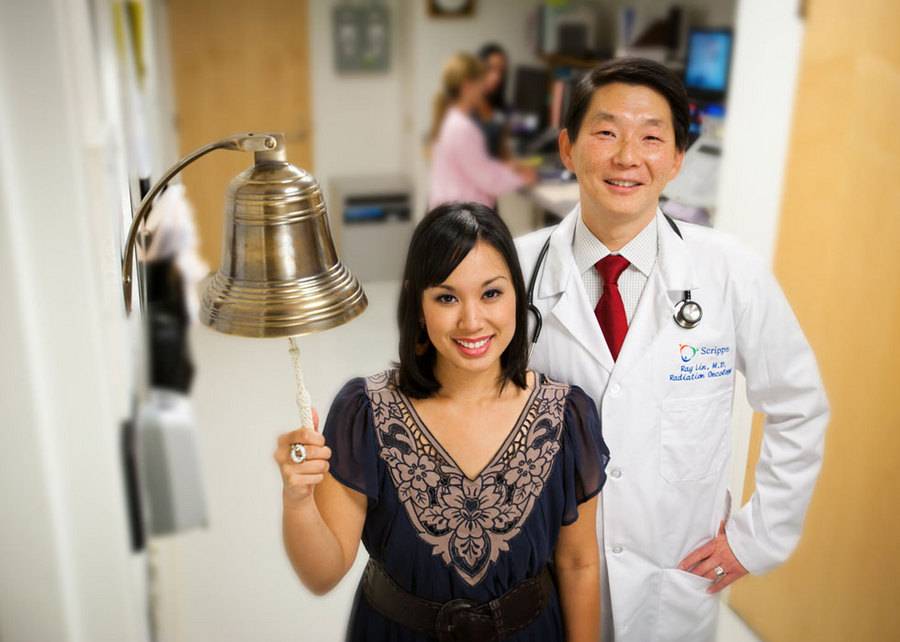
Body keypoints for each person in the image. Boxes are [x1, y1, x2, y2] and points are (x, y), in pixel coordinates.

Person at [516, 58, 829, 642]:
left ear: (678, 160)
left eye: (652, 137)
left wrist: (755, 537)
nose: (627, 156)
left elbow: (798, 404)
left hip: (672, 580)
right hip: (540, 573)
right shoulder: (511, 268)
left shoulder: (729, 271)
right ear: (567, 147)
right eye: (606, 132)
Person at [275, 202, 610, 641]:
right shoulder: (366, 412)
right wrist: (297, 498)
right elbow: (322, 574)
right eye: (447, 297)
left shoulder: (567, 417)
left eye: (491, 293)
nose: (472, 321)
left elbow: (579, 563)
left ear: (517, 296)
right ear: (418, 305)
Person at [427, 53, 536, 210]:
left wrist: (509, 169)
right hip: (462, 219)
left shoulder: (452, 121)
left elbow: (480, 166)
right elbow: (489, 180)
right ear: (467, 86)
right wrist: (523, 179)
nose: (483, 89)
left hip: (454, 214)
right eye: (480, 83)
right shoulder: (461, 128)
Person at [476, 42, 511, 160]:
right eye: (490, 69)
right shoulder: (466, 107)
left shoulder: (497, 106)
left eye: (501, 71)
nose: (496, 77)